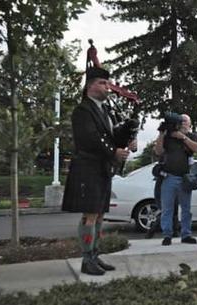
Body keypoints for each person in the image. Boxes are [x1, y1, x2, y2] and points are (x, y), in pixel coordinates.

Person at [62, 67, 136, 276]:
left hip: (102, 168)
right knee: (90, 216)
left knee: (100, 215)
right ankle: (87, 259)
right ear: (90, 86)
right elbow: (90, 138)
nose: (108, 87)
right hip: (88, 167)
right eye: (103, 83)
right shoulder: (83, 110)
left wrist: (128, 135)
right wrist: (114, 152)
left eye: (107, 83)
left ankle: (94, 254)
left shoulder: (104, 111)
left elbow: (111, 135)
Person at [154, 114, 197, 246]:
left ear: (190, 124)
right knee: (167, 208)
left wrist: (184, 137)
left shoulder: (192, 136)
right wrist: (162, 134)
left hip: (185, 177)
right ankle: (167, 235)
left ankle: (186, 234)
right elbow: (158, 151)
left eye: (186, 121)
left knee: (186, 209)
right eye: (181, 121)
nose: (184, 123)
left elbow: (196, 148)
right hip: (169, 176)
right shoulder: (168, 136)